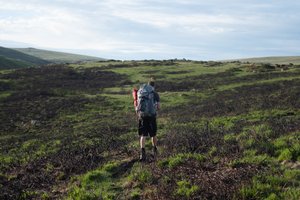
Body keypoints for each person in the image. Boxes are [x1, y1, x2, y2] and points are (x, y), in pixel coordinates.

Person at [135, 79, 160, 161]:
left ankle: (142, 153)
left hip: (142, 116)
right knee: (153, 134)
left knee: (143, 135)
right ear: (154, 86)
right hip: (152, 116)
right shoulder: (155, 93)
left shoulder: (141, 92)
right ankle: (155, 150)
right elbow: (158, 107)